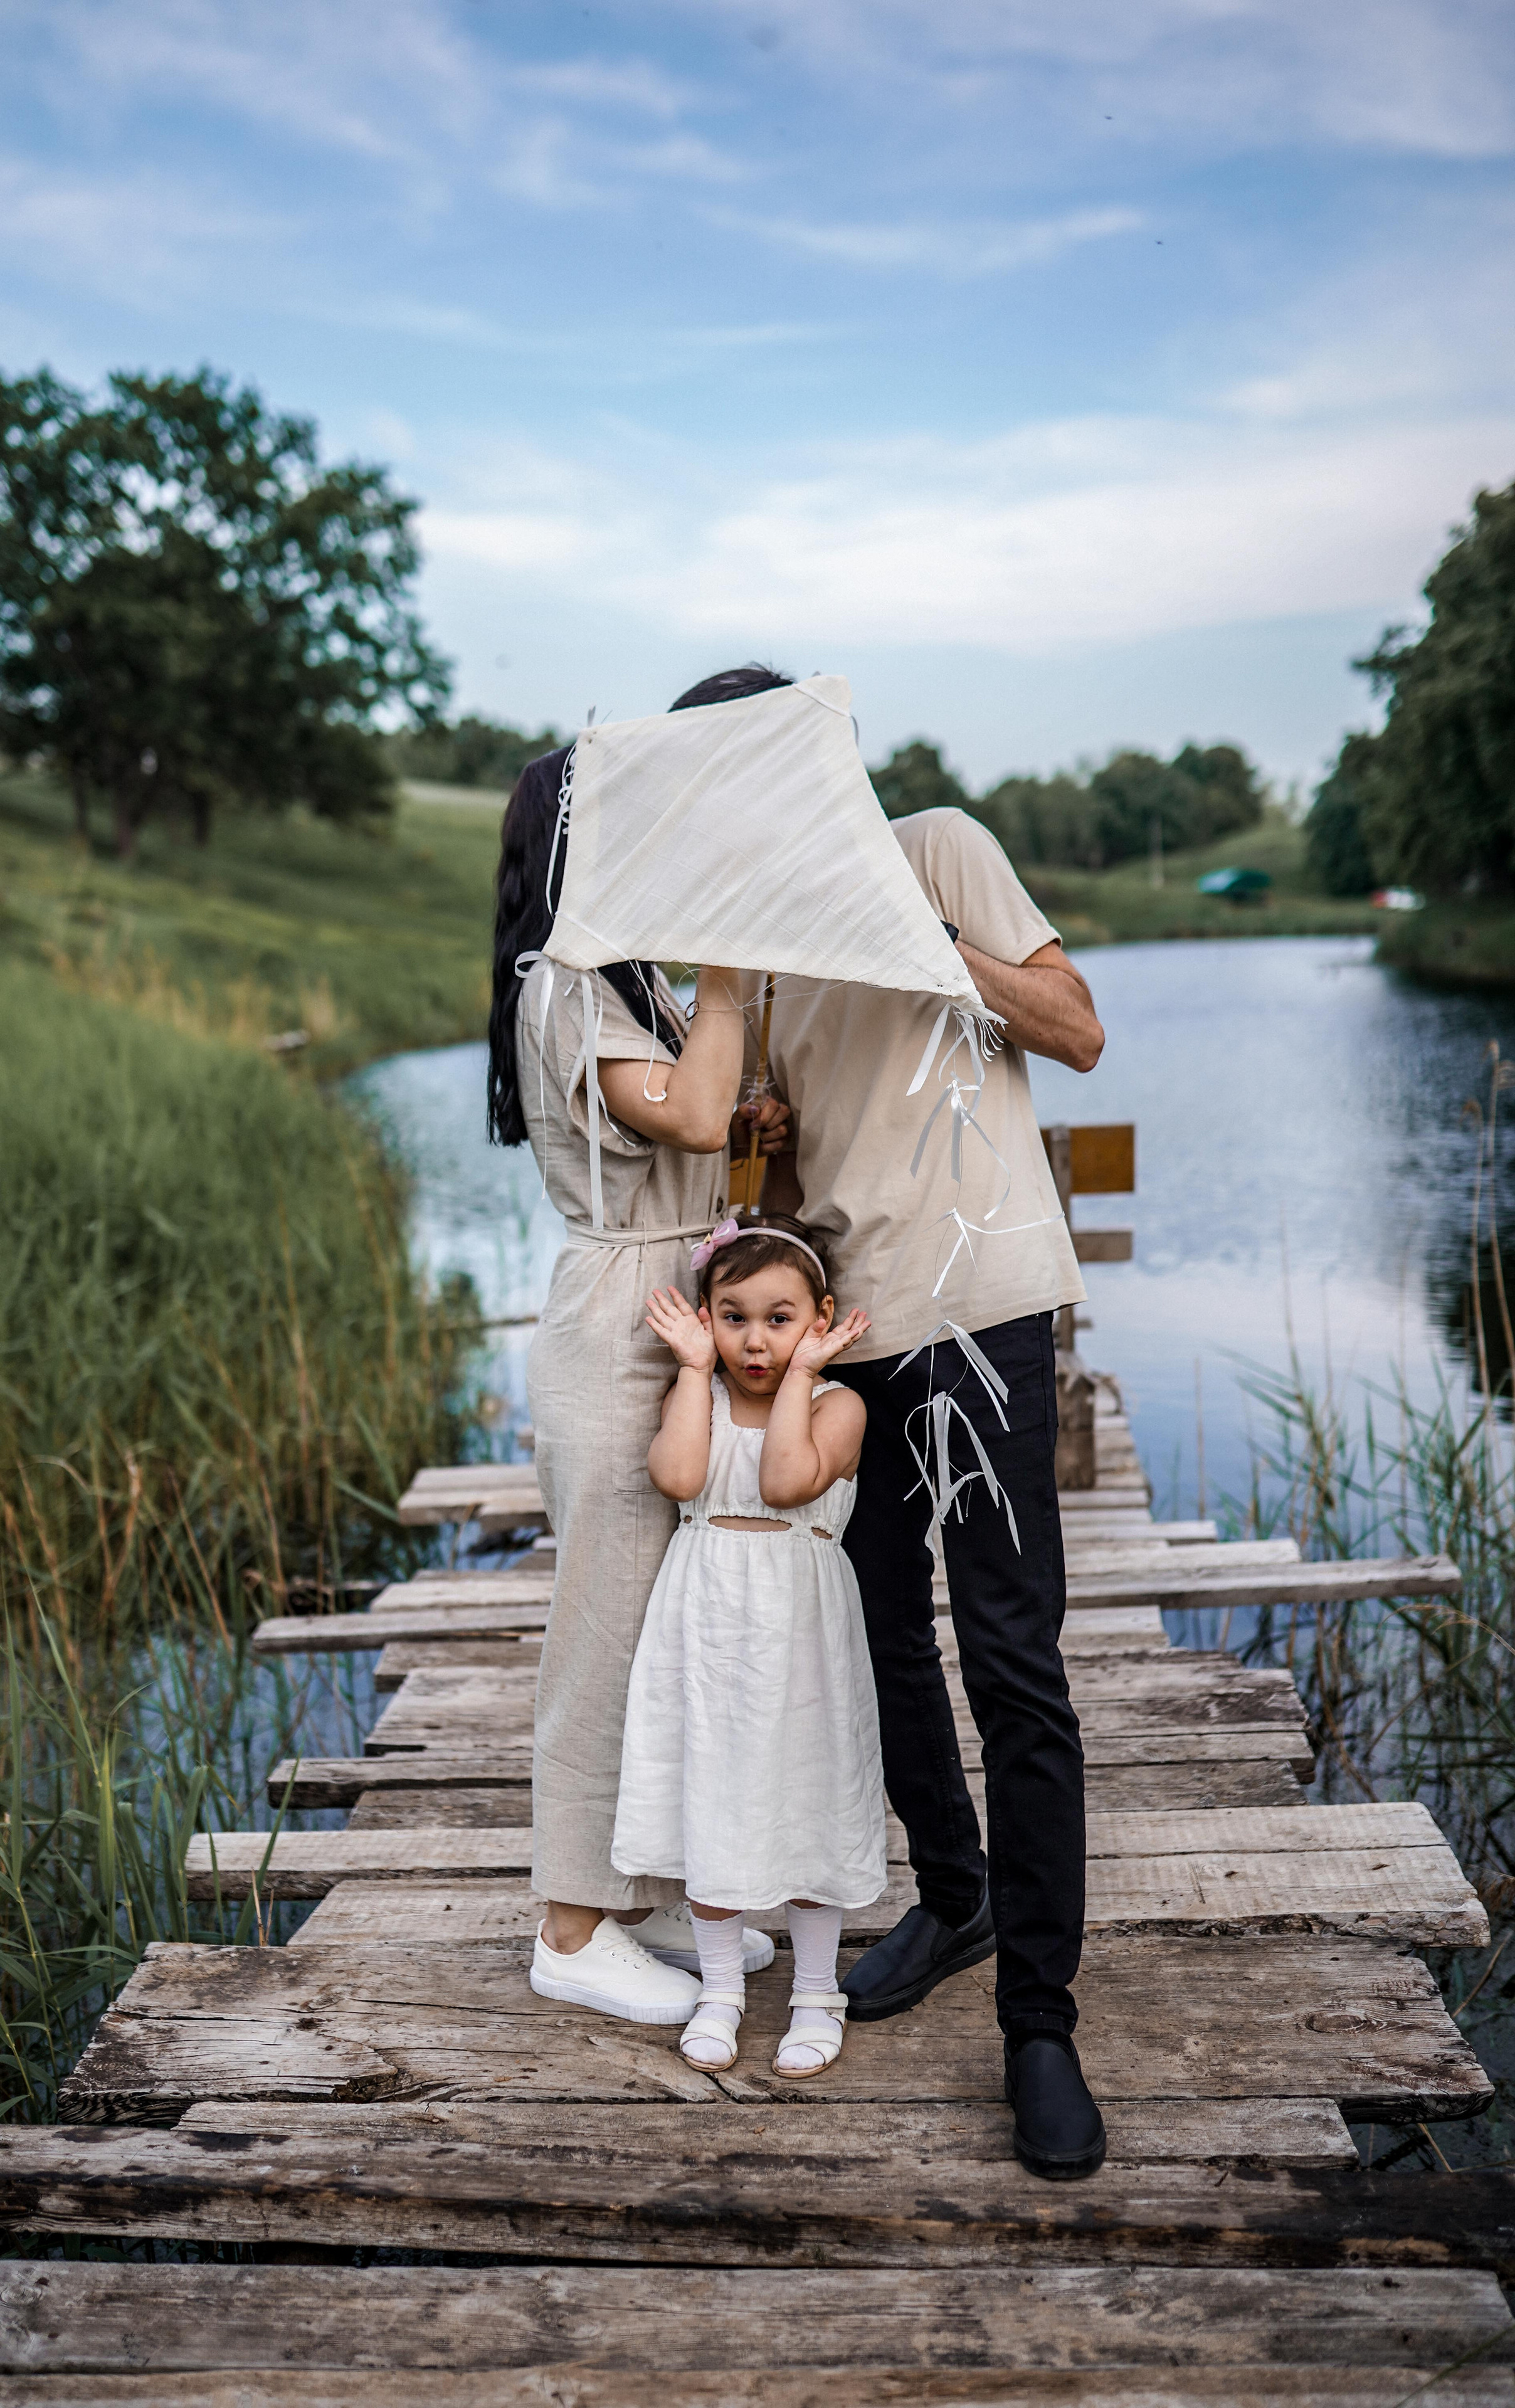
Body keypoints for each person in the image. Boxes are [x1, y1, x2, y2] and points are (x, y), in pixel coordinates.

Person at [675, 663, 1109, 2181]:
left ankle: (1038, 2026)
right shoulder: (751, 964)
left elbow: (1075, 1029)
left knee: (1010, 1654)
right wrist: (762, 1158)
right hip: (855, 1339)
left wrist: (918, 940)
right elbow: (794, 1197)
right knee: (874, 1633)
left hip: (983, 1310)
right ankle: (953, 1890)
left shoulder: (936, 850)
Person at [487, 747, 788, 2020]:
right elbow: (687, 1115)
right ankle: (568, 1928)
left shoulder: (628, 980)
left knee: (670, 1625)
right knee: (605, 1633)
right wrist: (727, 960)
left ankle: (643, 1886)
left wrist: (741, 1127)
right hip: (617, 1325)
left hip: (671, 1297)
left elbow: (699, 1123)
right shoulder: (561, 981)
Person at [611, 1218, 884, 2076]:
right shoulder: (697, 1393)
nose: (755, 1341)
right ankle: (722, 1990)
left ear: (822, 1319)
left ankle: (817, 1992)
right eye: (733, 1318)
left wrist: (803, 1376)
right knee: (713, 1796)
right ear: (706, 1319)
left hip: (801, 1626)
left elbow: (785, 1481)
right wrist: (694, 1371)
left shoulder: (839, 1406)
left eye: (779, 1319)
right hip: (707, 1624)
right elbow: (679, 1478)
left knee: (809, 1795)